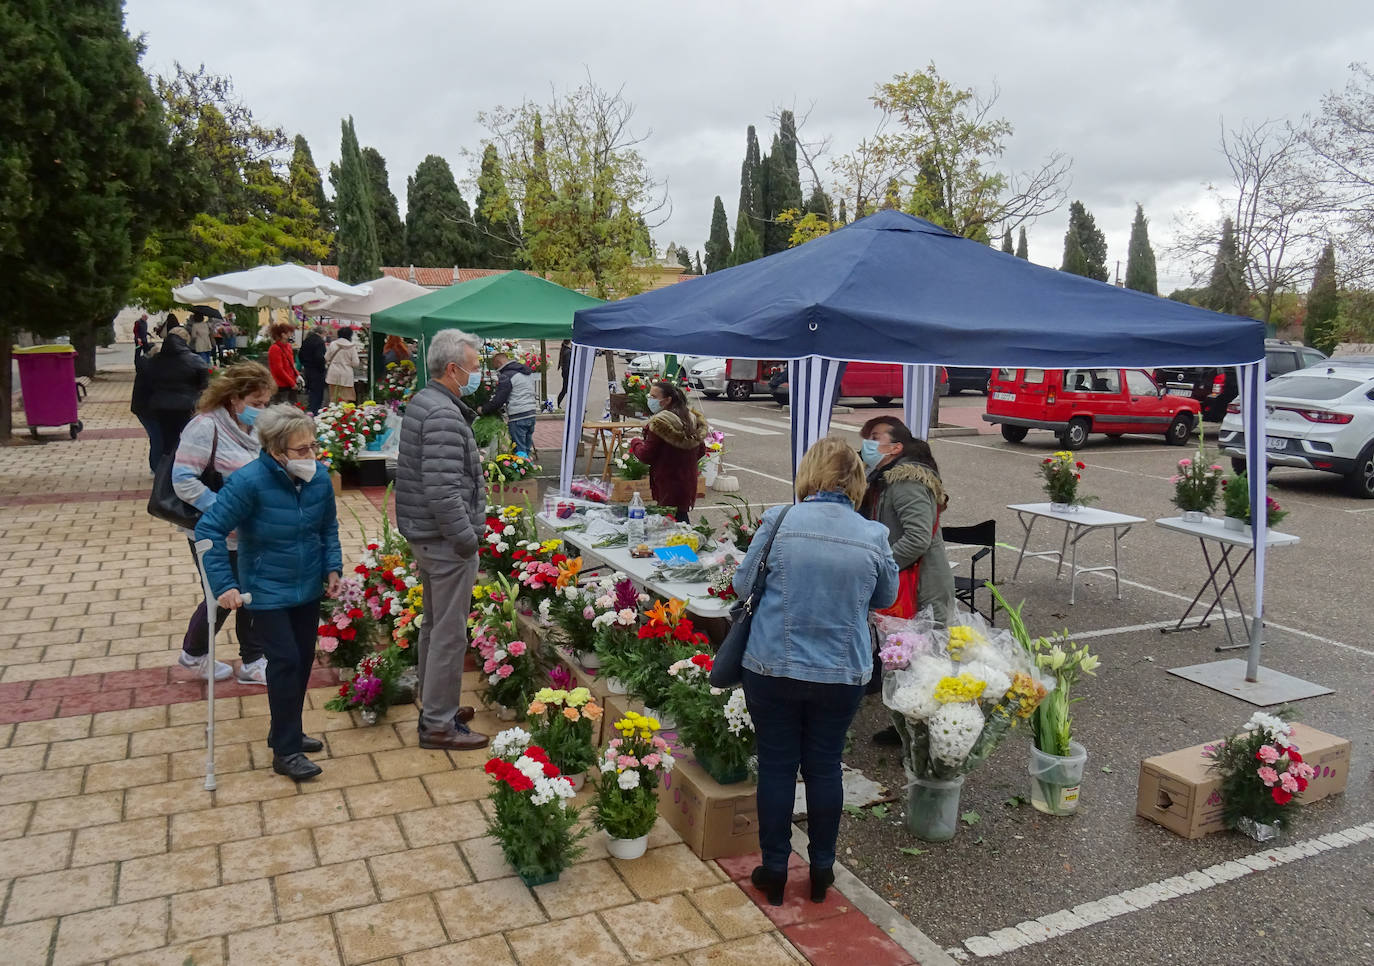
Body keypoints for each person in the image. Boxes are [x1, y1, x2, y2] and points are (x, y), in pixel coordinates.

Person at [733, 436, 898, 906]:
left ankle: (776, 868)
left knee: (778, 766)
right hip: (841, 670)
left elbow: (744, 583)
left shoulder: (780, 520)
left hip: (772, 665)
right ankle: (823, 867)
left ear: (811, 473)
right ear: (857, 481)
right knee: (824, 767)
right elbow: (884, 598)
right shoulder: (872, 535)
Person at [196, 405, 341, 782]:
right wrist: (224, 584)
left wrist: (333, 567)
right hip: (266, 588)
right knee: (285, 662)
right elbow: (209, 530)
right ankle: (286, 752)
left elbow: (328, 528)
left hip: (307, 585)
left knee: (303, 660)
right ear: (276, 451)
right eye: (301, 450)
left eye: (313, 446)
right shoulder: (249, 482)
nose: (311, 456)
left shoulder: (318, 479)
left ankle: (286, 731)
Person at [394, 328, 489, 751]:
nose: (479, 373)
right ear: (452, 369)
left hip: (428, 538)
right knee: (449, 634)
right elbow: (444, 491)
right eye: (474, 366)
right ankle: (437, 724)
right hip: (446, 543)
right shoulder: (445, 415)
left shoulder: (426, 401)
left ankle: (437, 706)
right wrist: (467, 541)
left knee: (434, 628)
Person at [172, 362, 275, 684]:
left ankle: (253, 660)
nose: (261, 410)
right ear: (234, 398)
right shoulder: (204, 427)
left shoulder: (253, 429)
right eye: (256, 404)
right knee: (223, 594)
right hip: (215, 530)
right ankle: (194, 655)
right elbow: (184, 480)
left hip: (252, 530)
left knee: (252, 591)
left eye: (265, 403)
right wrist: (225, 511)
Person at [859, 417, 956, 745]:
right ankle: (910, 726)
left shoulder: (906, 482)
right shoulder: (885, 480)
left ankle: (927, 732)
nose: (867, 444)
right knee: (903, 657)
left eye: (874, 437)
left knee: (921, 659)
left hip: (920, 587)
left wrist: (881, 567)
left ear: (895, 447)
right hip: (907, 584)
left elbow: (917, 539)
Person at [628, 380, 708, 523]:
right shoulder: (690, 418)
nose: (649, 400)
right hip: (687, 481)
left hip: (667, 482)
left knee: (671, 525)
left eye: (654, 397)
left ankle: (687, 545)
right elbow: (701, 450)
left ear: (667, 400)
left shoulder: (661, 423)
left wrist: (635, 443)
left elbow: (646, 455)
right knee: (681, 519)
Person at [143, 325, 209, 454]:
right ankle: (186, 468)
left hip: (161, 405)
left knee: (168, 444)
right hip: (187, 405)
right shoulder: (194, 359)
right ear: (185, 341)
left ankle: (166, 471)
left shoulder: (155, 360)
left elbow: (148, 381)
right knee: (190, 440)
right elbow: (204, 383)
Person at [478, 350, 539, 456]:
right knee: (526, 449)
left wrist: (483, 409)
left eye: (494, 365)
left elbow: (499, 399)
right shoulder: (524, 371)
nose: (495, 368)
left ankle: (522, 470)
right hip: (531, 413)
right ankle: (528, 467)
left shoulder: (507, 375)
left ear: (498, 362)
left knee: (519, 451)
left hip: (518, 416)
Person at [130, 342, 162, 473]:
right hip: (147, 409)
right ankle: (156, 468)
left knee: (157, 437)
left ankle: (156, 466)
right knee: (157, 438)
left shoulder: (147, 366)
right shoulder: (150, 370)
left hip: (144, 408)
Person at [324, 326, 362, 403]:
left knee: (333, 398)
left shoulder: (333, 344)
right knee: (345, 399)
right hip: (346, 375)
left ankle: (333, 413)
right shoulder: (352, 347)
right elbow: (356, 363)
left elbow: (326, 358)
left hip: (333, 373)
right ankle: (343, 414)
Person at [267, 323, 300, 405]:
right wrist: (292, 383)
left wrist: (297, 375)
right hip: (281, 385)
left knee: (293, 407)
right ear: (283, 334)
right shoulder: (274, 348)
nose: (291, 334)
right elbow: (278, 370)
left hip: (291, 382)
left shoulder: (288, 346)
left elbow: (291, 364)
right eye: (290, 332)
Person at [299, 325, 328, 413]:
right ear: (322, 333)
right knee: (318, 392)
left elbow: (300, 354)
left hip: (308, 369)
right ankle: (315, 411)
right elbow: (319, 357)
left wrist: (305, 363)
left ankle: (310, 408)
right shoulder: (320, 342)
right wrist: (322, 367)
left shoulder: (307, 340)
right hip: (317, 371)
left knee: (311, 390)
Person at [556, 339, 572, 408]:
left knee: (565, 390)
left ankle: (558, 404)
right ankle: (558, 404)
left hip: (565, 373)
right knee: (566, 390)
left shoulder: (564, 349)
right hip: (568, 374)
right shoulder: (568, 351)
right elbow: (568, 365)